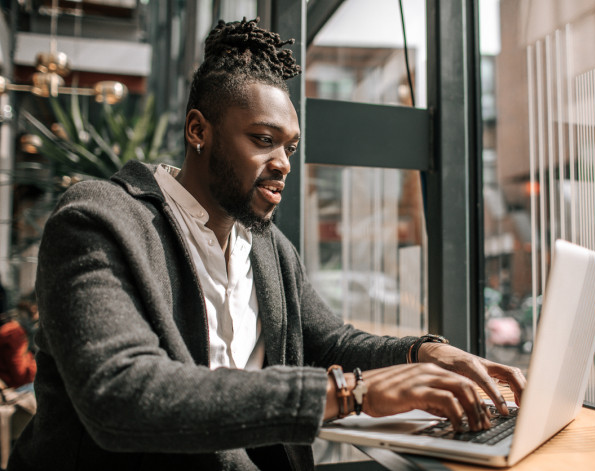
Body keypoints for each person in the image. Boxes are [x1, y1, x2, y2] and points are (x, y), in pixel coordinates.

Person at [8, 18, 525, 471]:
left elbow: (331, 343)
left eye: (290, 146)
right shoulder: (97, 221)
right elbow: (122, 394)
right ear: (198, 130)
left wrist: (425, 353)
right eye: (263, 139)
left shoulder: (268, 246)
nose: (283, 161)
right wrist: (351, 394)